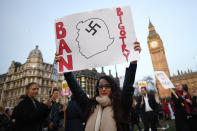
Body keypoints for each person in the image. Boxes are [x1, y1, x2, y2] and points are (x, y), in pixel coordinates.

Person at [56, 41, 141, 131]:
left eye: (107, 86)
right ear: (97, 89)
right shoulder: (91, 105)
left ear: (113, 88)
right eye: (100, 87)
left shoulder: (121, 105)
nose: (103, 89)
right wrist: (65, 68)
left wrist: (133, 63)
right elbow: (76, 89)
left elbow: (128, 87)